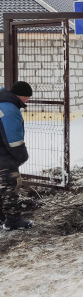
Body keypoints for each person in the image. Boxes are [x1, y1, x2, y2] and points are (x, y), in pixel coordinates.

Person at [0, 81, 34, 230]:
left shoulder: (2, 102)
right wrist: (22, 156)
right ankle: (12, 219)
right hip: (3, 155)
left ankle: (1, 217)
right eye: (27, 97)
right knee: (10, 185)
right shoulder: (10, 109)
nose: (28, 100)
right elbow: (14, 140)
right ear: (20, 95)